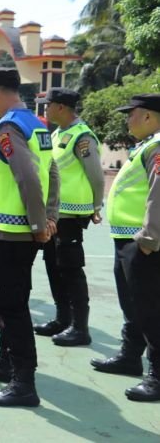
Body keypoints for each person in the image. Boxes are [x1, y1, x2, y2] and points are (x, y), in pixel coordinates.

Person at [0, 67, 59, 408]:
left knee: (12, 307)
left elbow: (28, 178)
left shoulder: (8, 127)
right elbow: (51, 171)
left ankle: (23, 382)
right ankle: (6, 363)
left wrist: (39, 224)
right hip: (17, 231)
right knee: (6, 301)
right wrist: (49, 216)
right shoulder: (37, 125)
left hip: (10, 233)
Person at [91, 94, 160, 402]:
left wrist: (148, 239)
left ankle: (157, 377)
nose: (127, 120)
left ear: (148, 116)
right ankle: (130, 355)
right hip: (128, 240)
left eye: (131, 114)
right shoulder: (147, 146)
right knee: (133, 306)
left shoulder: (157, 148)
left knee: (151, 311)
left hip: (143, 243)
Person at [33, 88, 104, 347]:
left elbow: (96, 174)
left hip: (72, 214)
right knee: (54, 265)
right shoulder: (57, 133)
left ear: (61, 107)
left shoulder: (82, 136)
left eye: (48, 105)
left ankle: (79, 326)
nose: (45, 109)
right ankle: (63, 318)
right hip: (55, 214)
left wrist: (97, 204)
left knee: (71, 269)